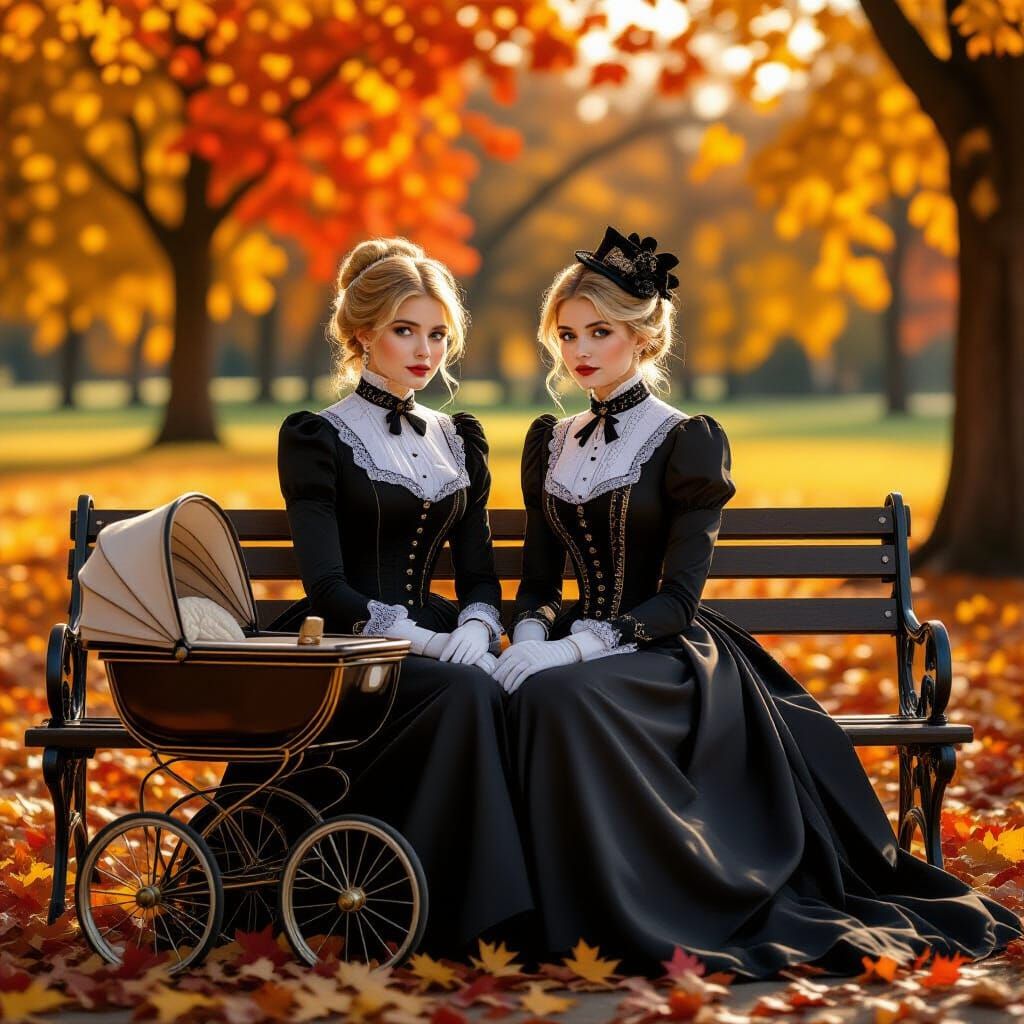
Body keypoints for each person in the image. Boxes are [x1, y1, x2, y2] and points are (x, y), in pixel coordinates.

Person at [494, 225, 1023, 979]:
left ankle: (628, 914)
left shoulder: (686, 440)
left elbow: (678, 600)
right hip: (582, 649)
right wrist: (532, 633)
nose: (580, 350)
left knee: (560, 697)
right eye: (569, 334)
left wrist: (578, 646)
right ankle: (542, 915)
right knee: (522, 691)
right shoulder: (551, 441)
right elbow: (541, 587)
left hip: (667, 654)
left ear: (643, 339)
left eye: (600, 331)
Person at [220, 237, 533, 959]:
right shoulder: (317, 436)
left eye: (436, 334)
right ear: (361, 334)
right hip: (344, 643)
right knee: (465, 695)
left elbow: (480, 574)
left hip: (443, 635)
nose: (425, 351)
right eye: (405, 330)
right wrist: (426, 643)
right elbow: (327, 587)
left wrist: (482, 627)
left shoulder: (459, 439)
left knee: (517, 690)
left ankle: (502, 911)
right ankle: (447, 916)